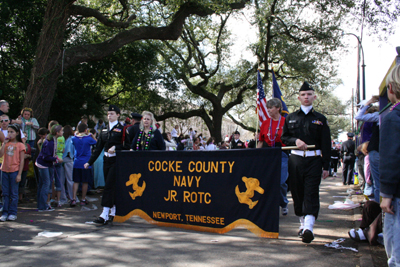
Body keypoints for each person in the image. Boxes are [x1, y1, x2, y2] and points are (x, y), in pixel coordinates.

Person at [281, 81, 331, 243]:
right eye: (303, 95)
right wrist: (295, 141)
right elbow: (284, 137)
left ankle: (309, 227)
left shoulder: (320, 119)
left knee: (311, 192)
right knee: (297, 193)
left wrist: (326, 165)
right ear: (298, 98)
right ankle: (302, 224)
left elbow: (326, 144)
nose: (306, 97)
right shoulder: (291, 117)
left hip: (314, 160)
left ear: (314, 97)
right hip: (295, 160)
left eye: (309, 94)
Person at [84, 105, 131, 224]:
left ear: (118, 115)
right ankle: (114, 211)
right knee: (110, 186)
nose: (109, 115)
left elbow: (127, 146)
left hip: (117, 161)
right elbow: (98, 148)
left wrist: (116, 148)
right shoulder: (104, 130)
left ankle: (104, 214)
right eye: (108, 113)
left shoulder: (123, 129)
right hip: (106, 160)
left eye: (112, 113)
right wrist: (89, 162)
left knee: (109, 186)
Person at [380, 65, 400, 267]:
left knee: (396, 253)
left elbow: (391, 159)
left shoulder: (392, 118)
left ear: (392, 88)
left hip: (397, 194)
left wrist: (386, 194)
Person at [257, 98, 289, 216]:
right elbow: (260, 141)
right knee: (267, 181)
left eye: (270, 108)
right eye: (267, 108)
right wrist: (255, 155)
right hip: (268, 153)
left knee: (280, 182)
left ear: (278, 108)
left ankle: (283, 203)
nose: (268, 110)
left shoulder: (286, 122)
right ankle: (270, 205)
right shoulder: (265, 123)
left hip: (282, 153)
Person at [36, 125, 64, 212]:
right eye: (61, 131)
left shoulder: (53, 140)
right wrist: (56, 159)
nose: (62, 132)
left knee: (42, 184)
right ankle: (43, 206)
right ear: (57, 133)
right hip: (43, 164)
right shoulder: (50, 142)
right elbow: (46, 156)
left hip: (46, 164)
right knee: (46, 184)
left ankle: (40, 204)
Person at [0, 124, 25, 221]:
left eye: (12, 132)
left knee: (14, 193)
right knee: (5, 193)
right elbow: (1, 154)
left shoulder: (20, 145)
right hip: (4, 170)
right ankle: (5, 212)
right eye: (8, 132)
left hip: (14, 170)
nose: (10, 134)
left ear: (17, 133)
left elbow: (22, 161)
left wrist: (19, 174)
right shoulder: (6, 144)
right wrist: (3, 143)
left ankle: (13, 212)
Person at [71, 123, 97, 207]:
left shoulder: (74, 138)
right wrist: (91, 135)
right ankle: (83, 199)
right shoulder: (88, 139)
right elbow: (96, 142)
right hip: (86, 162)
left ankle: (74, 198)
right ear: (86, 130)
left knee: (76, 181)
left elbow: (73, 139)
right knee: (85, 181)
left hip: (77, 162)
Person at [62, 125, 75, 204]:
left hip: (61, 159)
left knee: (61, 180)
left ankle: (63, 198)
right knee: (70, 180)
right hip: (69, 159)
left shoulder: (62, 139)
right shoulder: (71, 139)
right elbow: (69, 150)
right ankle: (73, 197)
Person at [19, 131, 32, 203]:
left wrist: (27, 156)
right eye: (23, 136)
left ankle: (21, 197)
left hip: (25, 166)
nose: (24, 138)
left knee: (23, 182)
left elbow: (30, 155)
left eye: (26, 136)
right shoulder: (18, 145)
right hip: (17, 166)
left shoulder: (28, 145)